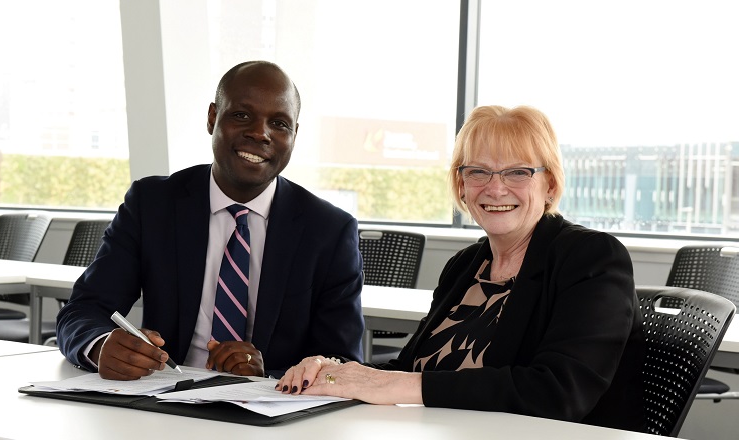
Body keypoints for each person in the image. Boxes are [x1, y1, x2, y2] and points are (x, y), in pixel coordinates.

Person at [277, 105, 646, 432]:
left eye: (517, 172)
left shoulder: (591, 257)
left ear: (549, 183)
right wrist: (333, 370)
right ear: (462, 186)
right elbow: (410, 366)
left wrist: (391, 385)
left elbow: (558, 392)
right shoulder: (465, 266)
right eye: (479, 172)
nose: (496, 189)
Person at [56, 60, 364, 380]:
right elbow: (83, 310)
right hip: (162, 401)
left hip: (268, 417)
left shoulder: (328, 231)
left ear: (294, 135)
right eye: (241, 115)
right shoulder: (153, 205)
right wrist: (101, 346)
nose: (260, 133)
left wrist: (269, 376)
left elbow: (340, 360)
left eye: (279, 123)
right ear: (212, 118)